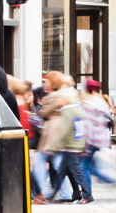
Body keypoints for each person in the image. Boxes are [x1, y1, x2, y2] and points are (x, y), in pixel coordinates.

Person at [40, 74, 92, 204]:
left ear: (66, 100)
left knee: (76, 173)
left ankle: (87, 195)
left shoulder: (69, 111)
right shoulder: (75, 110)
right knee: (62, 172)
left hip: (70, 147)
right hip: (72, 146)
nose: (60, 101)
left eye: (62, 99)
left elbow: (65, 131)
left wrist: (55, 145)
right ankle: (53, 195)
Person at [81, 79, 116, 201]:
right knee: (89, 165)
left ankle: (88, 194)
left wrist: (85, 141)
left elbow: (87, 124)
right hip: (101, 138)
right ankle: (106, 178)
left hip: (90, 139)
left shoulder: (88, 104)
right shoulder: (102, 102)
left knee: (84, 166)